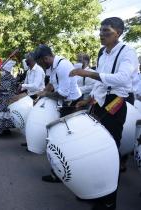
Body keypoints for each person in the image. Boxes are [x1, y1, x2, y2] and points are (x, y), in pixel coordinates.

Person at [70, 17, 138, 210]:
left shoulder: (128, 52)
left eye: (106, 32)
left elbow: (123, 78)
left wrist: (88, 74)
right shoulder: (102, 52)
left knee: (109, 150)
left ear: (119, 33)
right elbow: (101, 81)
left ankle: (109, 200)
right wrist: (89, 98)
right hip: (100, 102)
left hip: (116, 102)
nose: (101, 35)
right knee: (94, 148)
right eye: (100, 31)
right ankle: (95, 191)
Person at [33, 44, 82, 182]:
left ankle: (63, 173)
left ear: (46, 58)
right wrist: (43, 91)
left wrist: (45, 95)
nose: (41, 67)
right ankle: (58, 171)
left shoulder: (62, 66)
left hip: (73, 105)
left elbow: (63, 94)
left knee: (65, 141)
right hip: (66, 104)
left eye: (41, 63)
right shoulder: (53, 66)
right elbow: (52, 84)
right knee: (60, 139)